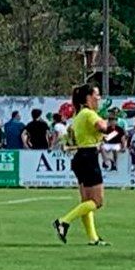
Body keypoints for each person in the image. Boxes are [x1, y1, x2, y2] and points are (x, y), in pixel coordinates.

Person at [52, 84, 114, 246]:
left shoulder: (78, 115)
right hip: (89, 157)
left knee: (86, 201)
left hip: (80, 157)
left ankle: (93, 238)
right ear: (88, 97)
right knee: (97, 201)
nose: (99, 98)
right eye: (97, 95)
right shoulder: (89, 113)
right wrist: (110, 127)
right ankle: (63, 221)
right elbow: (102, 127)